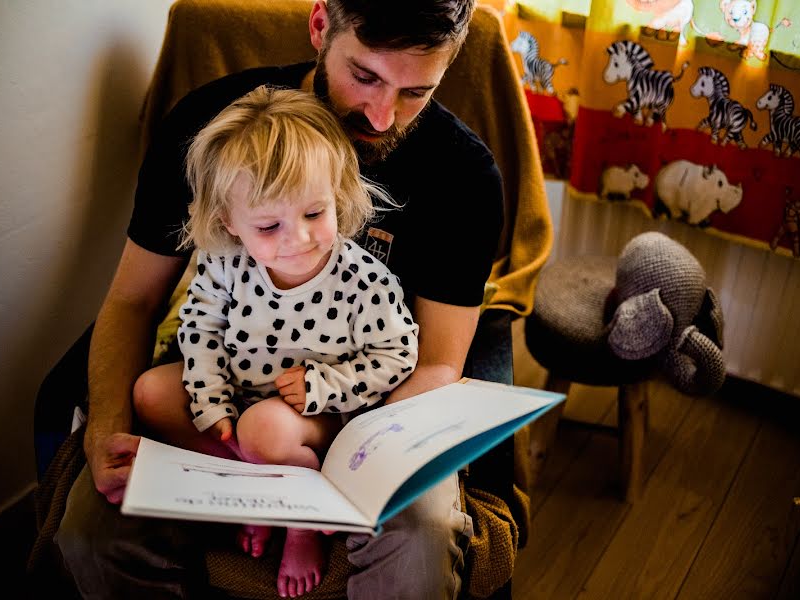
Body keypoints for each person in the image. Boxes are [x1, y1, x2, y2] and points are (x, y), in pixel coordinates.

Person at [55, 1, 509, 598]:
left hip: (367, 409)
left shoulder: (463, 176)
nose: (381, 116)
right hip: (225, 397)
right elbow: (134, 301)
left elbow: (435, 366)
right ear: (321, 25)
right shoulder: (215, 128)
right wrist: (106, 433)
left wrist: (342, 448)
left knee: (421, 535)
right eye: (365, 76)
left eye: (415, 92)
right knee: (93, 532)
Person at [131, 85, 419, 598]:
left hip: (315, 418)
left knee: (265, 427)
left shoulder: (363, 280)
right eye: (269, 225)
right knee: (152, 391)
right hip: (243, 401)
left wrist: (322, 386)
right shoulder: (224, 265)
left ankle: (301, 521)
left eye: (315, 213)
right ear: (230, 224)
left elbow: (398, 355)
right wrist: (210, 399)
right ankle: (260, 483)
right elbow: (199, 331)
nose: (299, 239)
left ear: (338, 195)